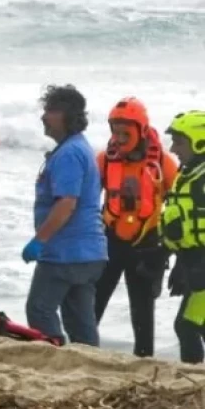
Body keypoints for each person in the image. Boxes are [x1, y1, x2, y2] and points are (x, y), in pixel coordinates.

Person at [22, 84, 107, 346]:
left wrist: (39, 240)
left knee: (39, 309)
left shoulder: (69, 153)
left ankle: (54, 356)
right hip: (90, 253)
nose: (44, 116)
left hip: (66, 253)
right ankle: (90, 365)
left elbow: (66, 204)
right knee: (81, 322)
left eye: (51, 110)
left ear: (69, 116)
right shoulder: (79, 148)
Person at [93, 97, 178, 358]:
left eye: (124, 132)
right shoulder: (103, 161)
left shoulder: (163, 164)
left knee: (142, 312)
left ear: (141, 130)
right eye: (114, 131)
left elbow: (179, 207)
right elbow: (86, 201)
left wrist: (170, 247)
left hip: (147, 245)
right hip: (110, 242)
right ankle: (81, 350)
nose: (118, 139)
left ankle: (144, 359)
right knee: (93, 303)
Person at [160, 110, 205, 363]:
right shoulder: (188, 174)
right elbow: (184, 224)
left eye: (179, 141)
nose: (173, 148)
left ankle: (193, 379)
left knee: (187, 325)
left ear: (199, 141)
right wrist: (178, 261)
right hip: (193, 261)